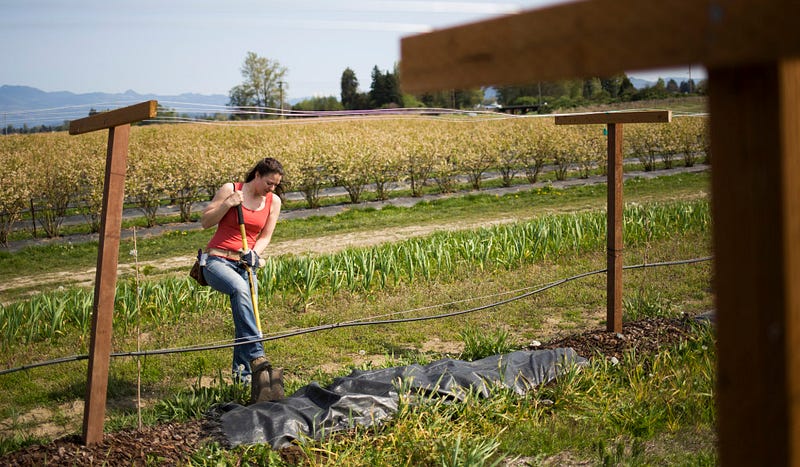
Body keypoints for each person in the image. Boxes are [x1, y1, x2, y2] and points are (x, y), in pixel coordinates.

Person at [200, 157, 284, 404]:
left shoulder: (273, 201)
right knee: (240, 290)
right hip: (217, 261)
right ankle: (257, 355)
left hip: (245, 263)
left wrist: (255, 254)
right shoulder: (231, 189)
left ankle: (242, 376)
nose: (272, 188)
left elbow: (266, 235)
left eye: (276, 185)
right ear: (257, 175)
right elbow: (205, 222)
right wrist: (228, 204)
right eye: (269, 183)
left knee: (245, 315)